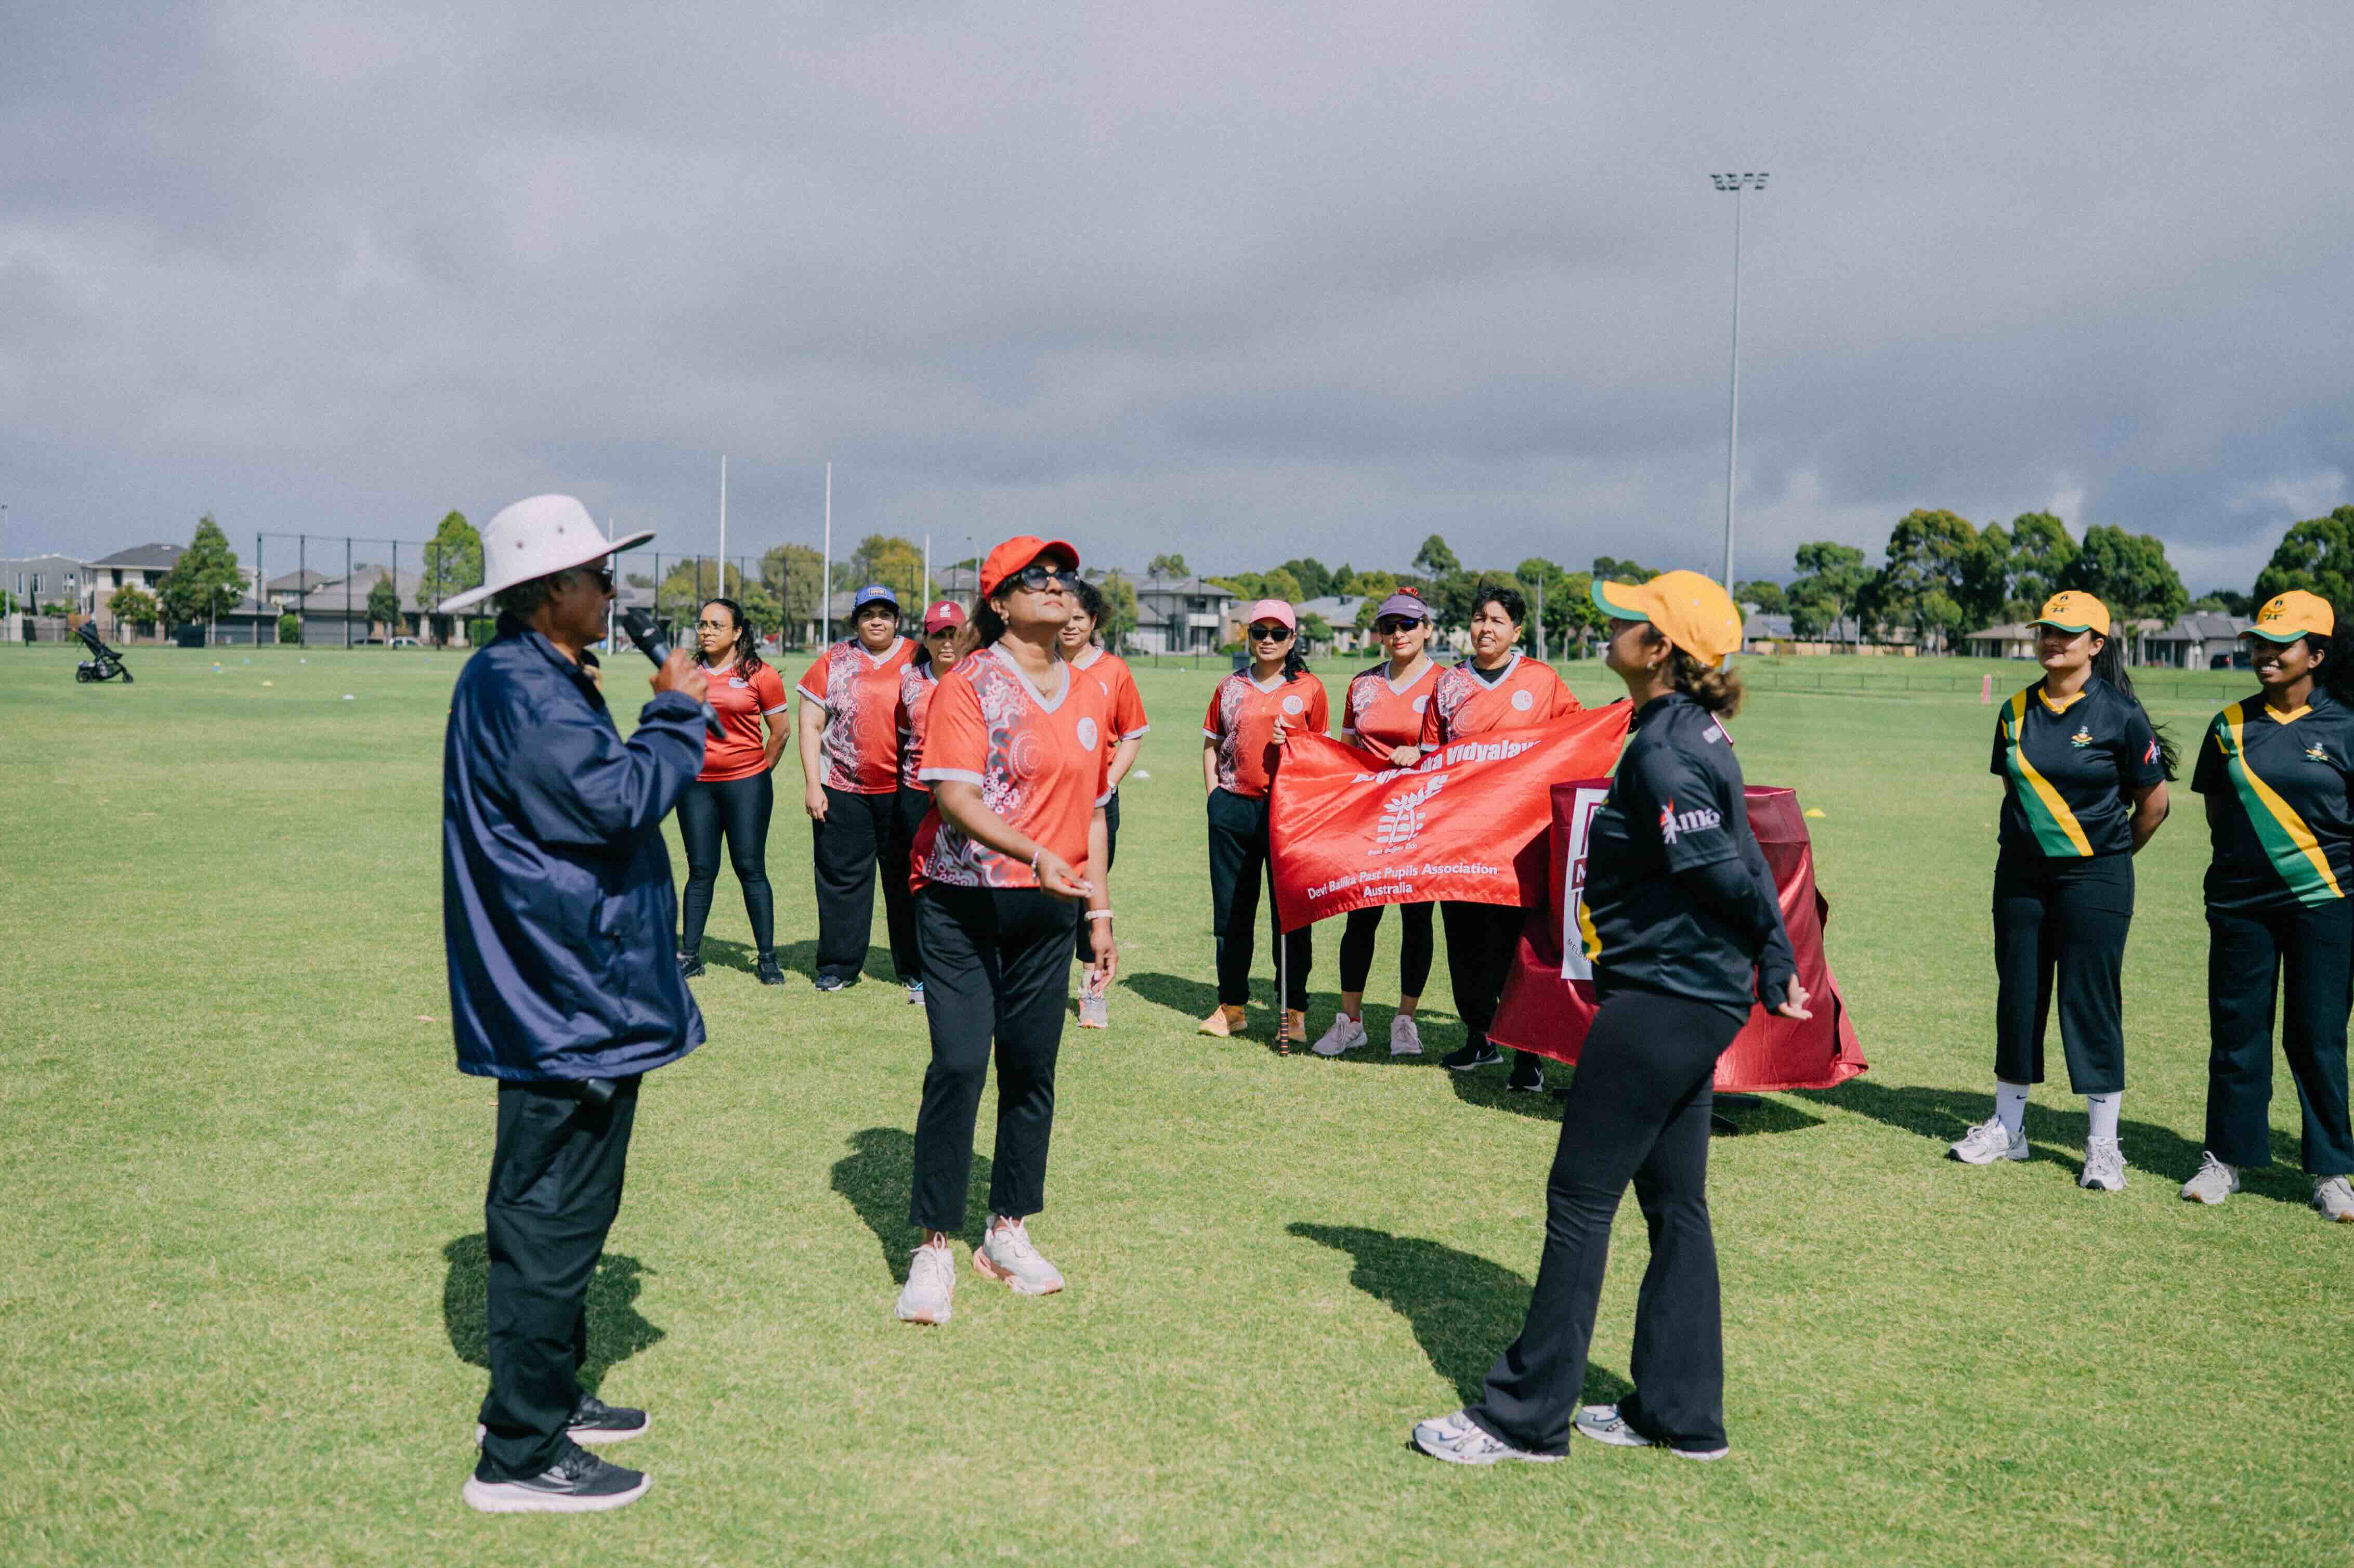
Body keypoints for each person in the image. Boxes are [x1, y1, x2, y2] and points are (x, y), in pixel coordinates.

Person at [1412, 570, 1806, 1468]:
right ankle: (1680, 1414)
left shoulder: (1664, 749)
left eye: (1631, 620)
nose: (1613, 627)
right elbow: (1747, 854)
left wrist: (1768, 947)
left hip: (1663, 1001)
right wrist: (1775, 958)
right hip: (1694, 999)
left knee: (1581, 1200)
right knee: (1675, 1204)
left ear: (1660, 650)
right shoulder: (1690, 730)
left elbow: (1720, 867)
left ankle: (1524, 1419)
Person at [437, 494, 708, 1513]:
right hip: (562, 996)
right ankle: (519, 1453)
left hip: (571, 988)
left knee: (568, 1210)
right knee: (551, 1216)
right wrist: (674, 711)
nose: (611, 591)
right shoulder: (520, 684)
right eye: (598, 576)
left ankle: (543, 1397)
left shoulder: (533, 673)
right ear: (551, 588)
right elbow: (619, 800)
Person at [893, 537, 1117, 1326]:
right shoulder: (968, 683)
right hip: (962, 904)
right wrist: (1036, 854)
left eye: (1064, 578)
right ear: (999, 601)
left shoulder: (1091, 690)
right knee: (959, 1065)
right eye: (1036, 578)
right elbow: (955, 799)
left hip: (1049, 911)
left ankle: (1006, 1231)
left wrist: (1099, 911)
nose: (1057, 587)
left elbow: (1093, 813)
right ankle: (934, 1246)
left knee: (1030, 1069)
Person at [1949, 591, 2174, 1191]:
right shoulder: (2013, 711)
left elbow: (2153, 806)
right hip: (2021, 877)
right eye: (2045, 631)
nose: (2051, 641)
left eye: (2066, 634)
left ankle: (2102, 1146)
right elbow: (2016, 791)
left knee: (2089, 1002)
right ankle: (2008, 1130)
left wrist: (2106, 858)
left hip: (2095, 877)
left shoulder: (2120, 714)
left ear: (2096, 645)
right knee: (2018, 995)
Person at [2181, 590, 2354, 1221]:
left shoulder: (2347, 726)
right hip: (2240, 906)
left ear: (2317, 654)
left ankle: (2332, 1172)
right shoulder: (2228, 726)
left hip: (2324, 905)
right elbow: (2217, 810)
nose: (2265, 655)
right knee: (2237, 1034)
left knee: (2318, 1037)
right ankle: (2225, 1161)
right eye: (2259, 643)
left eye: (2281, 645)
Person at [1420, 583, 1584, 1091]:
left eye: (1496, 620)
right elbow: (1430, 762)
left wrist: (1624, 715)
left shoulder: (1541, 680)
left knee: (1517, 949)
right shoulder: (1448, 685)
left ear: (1516, 630)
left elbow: (1578, 735)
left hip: (1520, 844)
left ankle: (1528, 1056)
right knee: (1465, 945)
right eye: (1478, 618)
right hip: (1460, 842)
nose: (1485, 628)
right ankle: (1479, 1036)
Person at [1314, 589, 1442, 1058]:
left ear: (1427, 629)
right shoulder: (1362, 685)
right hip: (1369, 821)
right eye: (1389, 626)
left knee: (1417, 920)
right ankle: (1351, 1021)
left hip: (1424, 819)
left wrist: (1422, 752)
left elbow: (1463, 750)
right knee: (1360, 917)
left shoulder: (1449, 684)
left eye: (1408, 624)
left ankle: (1405, 1021)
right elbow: (1345, 753)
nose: (1398, 634)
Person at [1201, 599, 1327, 1051]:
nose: (1268, 640)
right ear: (1249, 637)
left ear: (1293, 639)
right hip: (1233, 810)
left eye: (1278, 633)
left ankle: (1293, 1012)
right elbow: (1211, 745)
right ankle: (1232, 1007)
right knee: (1232, 914)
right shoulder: (1229, 686)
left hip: (1289, 813)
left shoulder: (1310, 688)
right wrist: (1215, 798)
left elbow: (1322, 756)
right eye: (1260, 632)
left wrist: (1296, 742)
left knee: (1290, 916)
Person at [796, 584, 919, 991]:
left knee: (907, 882)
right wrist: (813, 784)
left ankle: (915, 968)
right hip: (843, 789)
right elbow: (810, 724)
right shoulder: (833, 660)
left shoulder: (919, 657)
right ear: (856, 622)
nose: (877, 621)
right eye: (868, 615)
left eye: (885, 614)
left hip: (905, 791)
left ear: (897, 621)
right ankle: (838, 965)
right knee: (841, 881)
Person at [675, 597, 789, 985]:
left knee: (751, 869)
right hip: (696, 789)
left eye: (716, 625)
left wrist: (756, 774)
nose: (706, 632)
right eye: (703, 624)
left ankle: (767, 959)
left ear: (738, 632)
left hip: (747, 786)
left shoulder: (761, 675)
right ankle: (689, 956)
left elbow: (780, 733)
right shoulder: (686, 674)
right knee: (700, 870)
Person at [1060, 577, 1149, 1028]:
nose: (1070, 626)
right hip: (1046, 803)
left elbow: (1132, 735)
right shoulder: (1039, 665)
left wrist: (1109, 782)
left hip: (1096, 804)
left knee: (1089, 892)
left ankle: (1091, 990)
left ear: (1094, 621)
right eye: (1063, 617)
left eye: (1079, 618)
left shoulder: (1114, 671)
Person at [890, 600, 968, 1004]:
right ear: (926, 639)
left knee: (963, 881)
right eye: (939, 635)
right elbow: (904, 735)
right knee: (920, 882)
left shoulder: (978, 678)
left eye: (954, 634)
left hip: (966, 796)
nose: (947, 643)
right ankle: (920, 972)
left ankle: (961, 966)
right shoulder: (911, 681)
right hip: (917, 793)